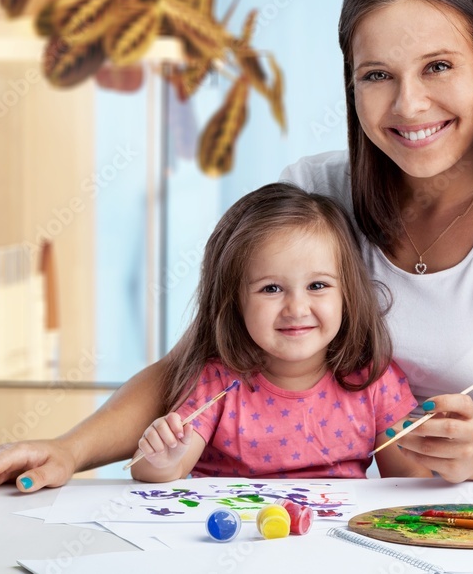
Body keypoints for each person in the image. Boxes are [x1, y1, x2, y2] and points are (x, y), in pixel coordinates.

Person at [0, 0, 473, 510]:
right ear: (350, 81)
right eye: (377, 75)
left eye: (439, 66)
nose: (408, 105)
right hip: (365, 518)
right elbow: (199, 362)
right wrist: (70, 449)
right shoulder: (317, 193)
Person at [130, 182, 428, 481]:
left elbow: (409, 480)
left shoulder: (375, 380)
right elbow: (164, 470)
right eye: (271, 288)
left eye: (317, 286)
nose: (297, 308)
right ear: (235, 301)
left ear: (347, 294)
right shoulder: (215, 382)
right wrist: (160, 459)